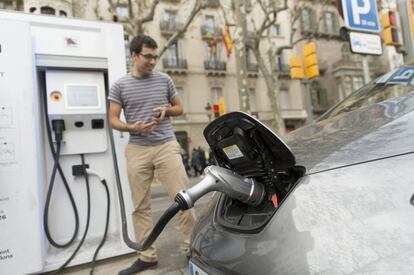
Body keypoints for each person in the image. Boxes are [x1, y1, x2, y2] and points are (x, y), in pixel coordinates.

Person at [108, 34, 196, 275]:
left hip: (166, 145)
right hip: (137, 148)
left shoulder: (164, 79)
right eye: (148, 56)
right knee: (140, 207)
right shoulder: (120, 85)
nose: (152, 61)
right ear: (134, 55)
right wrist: (131, 128)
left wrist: (166, 111)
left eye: (155, 57)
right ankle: (146, 257)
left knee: (185, 201)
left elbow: (180, 108)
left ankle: (191, 250)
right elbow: (113, 119)